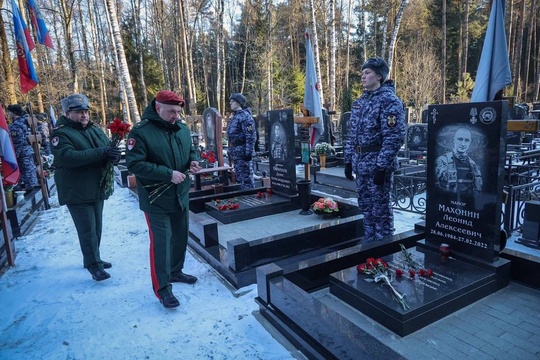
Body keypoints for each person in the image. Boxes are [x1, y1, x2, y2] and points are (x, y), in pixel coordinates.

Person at [126, 90, 201, 309]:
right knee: (161, 244)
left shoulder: (182, 129)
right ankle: (163, 289)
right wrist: (168, 173)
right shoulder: (141, 132)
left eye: (178, 111)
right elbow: (135, 164)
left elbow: (192, 150)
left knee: (179, 237)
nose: (176, 116)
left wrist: (193, 162)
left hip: (181, 195)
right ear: (158, 108)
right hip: (156, 197)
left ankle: (176, 271)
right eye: (171, 111)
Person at [51, 94, 121, 281]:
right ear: (67, 113)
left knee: (96, 227)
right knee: (87, 229)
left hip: (95, 187)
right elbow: (67, 157)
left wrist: (114, 155)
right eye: (79, 112)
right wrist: (102, 152)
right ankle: (93, 265)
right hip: (76, 189)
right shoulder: (61, 133)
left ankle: (93, 258)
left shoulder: (94, 130)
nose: (84, 115)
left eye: (86, 112)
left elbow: (106, 148)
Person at [344, 57, 406, 243]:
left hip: (377, 165)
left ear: (379, 76)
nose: (363, 76)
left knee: (381, 210)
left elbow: (394, 137)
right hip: (360, 165)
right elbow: (352, 135)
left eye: (367, 72)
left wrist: (382, 167)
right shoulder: (359, 102)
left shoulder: (389, 101)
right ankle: (370, 243)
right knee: (366, 207)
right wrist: (348, 161)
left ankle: (383, 247)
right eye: (362, 73)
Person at [435, 127, 482, 196]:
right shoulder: (441, 161)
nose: (463, 144)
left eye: (467, 140)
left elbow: (477, 189)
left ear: (470, 142)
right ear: (454, 140)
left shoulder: (473, 165)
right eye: (460, 139)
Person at [226, 93, 256, 190]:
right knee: (240, 177)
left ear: (239, 103)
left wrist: (248, 153)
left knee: (246, 178)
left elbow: (250, 136)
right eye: (230, 101)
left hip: (243, 153)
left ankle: (250, 198)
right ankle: (245, 196)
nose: (230, 103)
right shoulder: (235, 116)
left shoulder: (245, 116)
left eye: (233, 101)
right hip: (236, 152)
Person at [7, 104, 39, 191]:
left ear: (14, 112)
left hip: (22, 153)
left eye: (9, 112)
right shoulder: (26, 121)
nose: (8, 113)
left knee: (27, 175)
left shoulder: (16, 125)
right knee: (31, 173)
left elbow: (18, 142)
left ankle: (32, 196)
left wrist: (15, 156)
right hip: (28, 151)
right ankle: (34, 193)